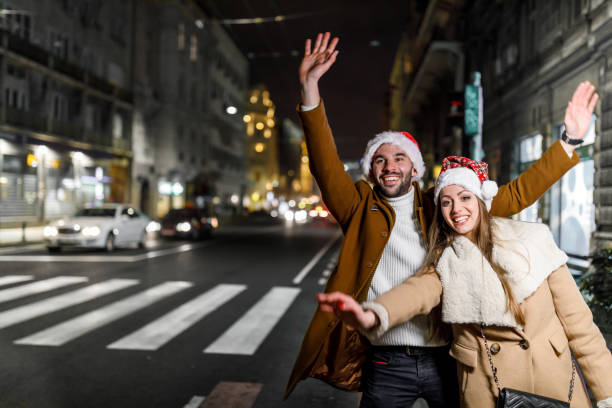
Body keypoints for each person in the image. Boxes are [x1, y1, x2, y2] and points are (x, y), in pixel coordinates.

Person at [284, 31, 596, 406]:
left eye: (399, 157)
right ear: (371, 171)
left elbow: (514, 194)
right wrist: (309, 88)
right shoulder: (358, 207)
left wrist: (569, 143)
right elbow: (324, 162)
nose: (389, 165)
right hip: (387, 362)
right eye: (379, 159)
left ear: (414, 169)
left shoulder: (443, 204)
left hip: (448, 356)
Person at [317, 156, 612, 407]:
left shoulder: (534, 240)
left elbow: (582, 330)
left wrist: (607, 394)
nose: (456, 209)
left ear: (482, 200)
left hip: (556, 384)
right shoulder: (446, 260)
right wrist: (372, 313)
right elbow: (416, 291)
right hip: (489, 390)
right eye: (446, 202)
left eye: (465, 197)